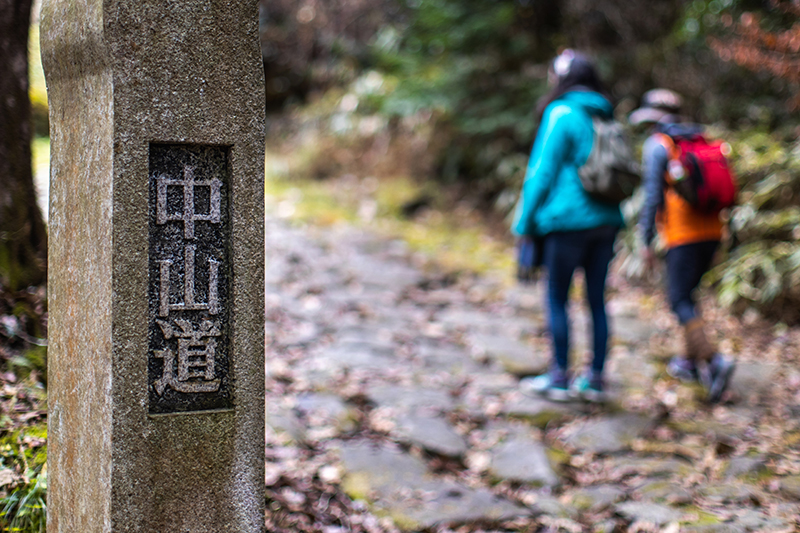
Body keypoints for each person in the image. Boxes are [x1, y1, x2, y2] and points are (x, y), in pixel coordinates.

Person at [512, 50, 624, 403]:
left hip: (566, 221)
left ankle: (559, 376)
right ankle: (596, 380)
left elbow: (541, 173)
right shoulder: (605, 114)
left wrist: (524, 223)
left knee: (557, 297)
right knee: (596, 300)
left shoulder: (561, 112)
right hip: (606, 220)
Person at [631, 88, 735, 403]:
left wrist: (645, 238)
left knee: (678, 299)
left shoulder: (658, 145)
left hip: (683, 235)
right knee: (688, 295)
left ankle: (714, 361)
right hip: (713, 232)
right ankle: (689, 363)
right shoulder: (698, 139)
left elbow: (652, 196)